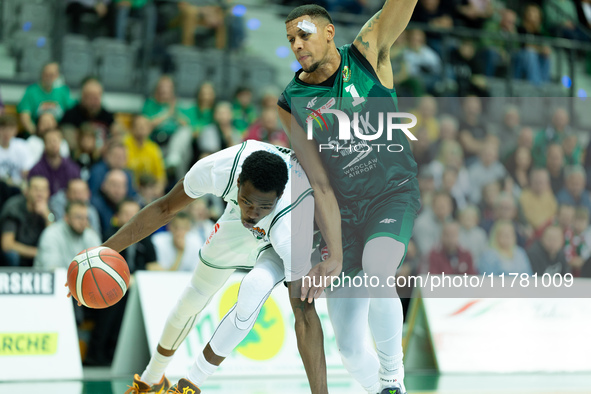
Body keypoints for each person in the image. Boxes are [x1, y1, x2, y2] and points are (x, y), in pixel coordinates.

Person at [83, 140, 325, 393]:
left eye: (263, 205)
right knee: (192, 299)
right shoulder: (218, 169)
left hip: (283, 231)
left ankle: (189, 385)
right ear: (238, 182)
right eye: (247, 201)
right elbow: (164, 207)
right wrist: (101, 254)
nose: (253, 213)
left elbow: (306, 318)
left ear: (278, 195)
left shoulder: (289, 229)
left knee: (255, 287)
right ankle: (150, 379)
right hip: (234, 222)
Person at [278, 3, 421, 393]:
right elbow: (320, 183)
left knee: (379, 269)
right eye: (290, 39)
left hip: (390, 194)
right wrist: (335, 253)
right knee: (350, 349)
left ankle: (393, 380)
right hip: (342, 215)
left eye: (304, 34)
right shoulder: (292, 100)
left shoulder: (368, 51)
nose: (296, 45)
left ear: (328, 32)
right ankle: (381, 389)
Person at [0, 176, 52, 267]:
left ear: (48, 193)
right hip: (16, 257)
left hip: (37, 258)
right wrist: (36, 252)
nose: (40, 194)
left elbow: (55, 241)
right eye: (36, 189)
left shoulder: (48, 210)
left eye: (43, 190)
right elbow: (7, 245)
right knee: (12, 255)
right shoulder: (13, 208)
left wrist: (47, 216)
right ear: (26, 191)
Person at [33, 201, 101, 269]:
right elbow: (52, 269)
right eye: (79, 217)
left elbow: (98, 265)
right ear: (66, 217)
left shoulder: (91, 236)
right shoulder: (52, 234)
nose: (83, 222)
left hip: (78, 278)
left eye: (86, 218)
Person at [17, 62, 72, 135]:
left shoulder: (63, 91)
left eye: (52, 74)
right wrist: (36, 134)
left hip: (58, 135)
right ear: (41, 74)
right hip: (36, 133)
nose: (49, 77)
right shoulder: (31, 91)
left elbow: (72, 111)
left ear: (57, 75)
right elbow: (25, 117)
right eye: (46, 74)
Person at [28, 129, 81, 196]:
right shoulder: (36, 170)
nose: (53, 144)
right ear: (44, 144)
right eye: (50, 141)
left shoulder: (72, 168)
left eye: (56, 141)